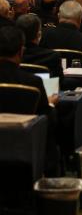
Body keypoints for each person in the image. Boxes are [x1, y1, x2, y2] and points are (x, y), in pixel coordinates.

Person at [0, 25, 59, 174]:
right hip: (25, 149)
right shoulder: (32, 82)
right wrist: (51, 104)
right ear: (21, 52)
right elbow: (46, 120)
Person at [40, 0, 82, 68]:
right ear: (80, 18)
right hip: (80, 78)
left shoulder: (42, 36)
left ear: (58, 16)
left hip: (49, 78)